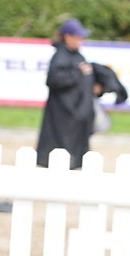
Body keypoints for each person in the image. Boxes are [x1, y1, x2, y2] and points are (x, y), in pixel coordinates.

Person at [36, 18, 101, 169]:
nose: (81, 41)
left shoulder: (77, 55)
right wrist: (78, 73)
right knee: (58, 155)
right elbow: (54, 80)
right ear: (67, 36)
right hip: (62, 114)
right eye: (78, 37)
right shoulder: (60, 56)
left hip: (76, 113)